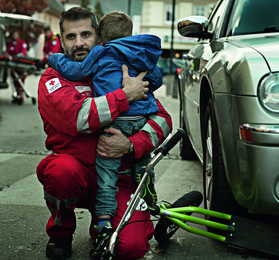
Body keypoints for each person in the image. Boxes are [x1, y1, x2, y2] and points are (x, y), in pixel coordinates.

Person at [36, 7, 172, 260]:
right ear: (61, 40)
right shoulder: (53, 78)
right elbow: (77, 118)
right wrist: (124, 96)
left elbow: (162, 119)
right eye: (70, 37)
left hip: (119, 177)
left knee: (130, 249)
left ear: (98, 37)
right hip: (79, 175)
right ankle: (61, 232)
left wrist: (131, 144)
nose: (79, 43)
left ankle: (122, 222)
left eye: (85, 34)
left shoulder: (123, 66)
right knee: (59, 170)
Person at [6, 30, 28, 104]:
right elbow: (7, 52)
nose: (14, 36)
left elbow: (24, 53)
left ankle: (21, 96)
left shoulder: (22, 43)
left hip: (21, 64)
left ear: (18, 35)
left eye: (15, 34)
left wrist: (17, 56)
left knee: (20, 80)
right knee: (14, 80)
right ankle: (17, 95)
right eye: (13, 35)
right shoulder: (10, 44)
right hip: (13, 64)